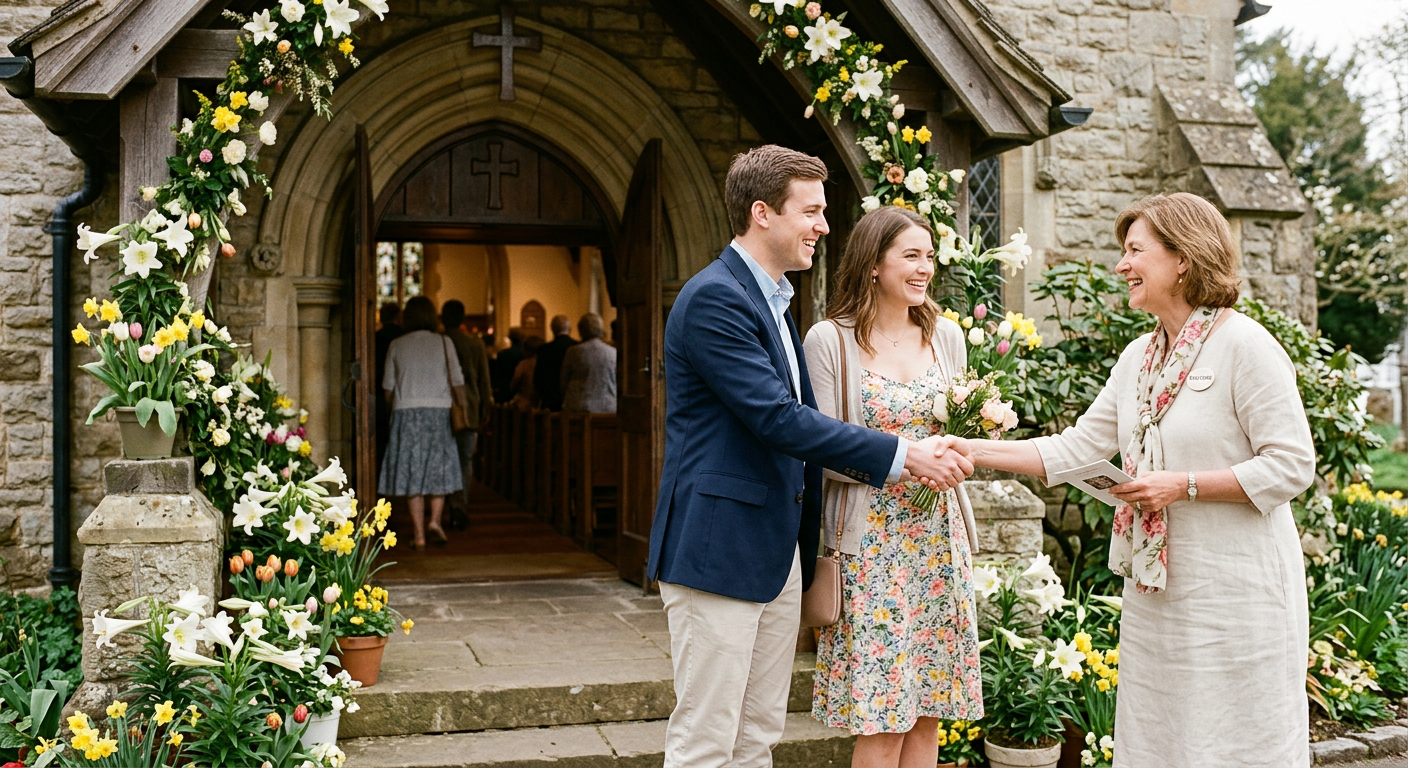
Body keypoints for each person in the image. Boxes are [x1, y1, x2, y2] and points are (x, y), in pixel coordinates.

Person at [946, 193, 1315, 768]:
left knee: (1236, 736)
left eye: (1135, 251)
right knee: (1162, 732)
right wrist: (970, 448)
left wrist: (1180, 485)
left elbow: (1292, 465)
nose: (1121, 265)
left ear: (1184, 260)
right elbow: (1076, 449)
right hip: (1160, 589)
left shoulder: (1246, 346)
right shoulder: (1139, 357)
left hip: (1237, 591)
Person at [646, 145, 973, 768]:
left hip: (772, 551)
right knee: (707, 740)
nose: (825, 226)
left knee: (757, 735)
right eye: (812, 211)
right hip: (718, 550)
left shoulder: (773, 300)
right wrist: (903, 453)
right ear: (762, 212)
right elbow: (777, 419)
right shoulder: (716, 297)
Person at [804, 206, 982, 767]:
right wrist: (908, 462)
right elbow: (818, 452)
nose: (925, 267)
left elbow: (960, 431)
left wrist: (960, 453)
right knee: (881, 718)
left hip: (937, 540)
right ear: (873, 263)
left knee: (928, 710)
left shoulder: (946, 335)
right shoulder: (830, 341)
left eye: (929, 256)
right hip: (871, 544)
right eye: (911, 255)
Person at [380, 295, 466, 550]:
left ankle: (418, 534)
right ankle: (435, 522)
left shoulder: (397, 344)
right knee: (437, 469)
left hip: (406, 412)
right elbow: (458, 380)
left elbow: (387, 387)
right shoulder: (443, 341)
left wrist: (393, 408)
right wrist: (464, 406)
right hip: (439, 411)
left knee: (412, 473)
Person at [441, 299, 494, 522]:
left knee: (443, 458)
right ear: (463, 318)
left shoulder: (440, 342)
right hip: (470, 407)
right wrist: (486, 407)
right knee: (465, 460)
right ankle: (459, 505)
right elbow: (484, 379)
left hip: (443, 407)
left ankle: (440, 505)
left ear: (443, 318)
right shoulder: (474, 344)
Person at [560, 313, 617, 413]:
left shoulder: (573, 352)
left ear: (581, 330)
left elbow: (564, 380)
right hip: (607, 407)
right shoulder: (612, 352)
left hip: (578, 407)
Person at [374, 303, 405, 464]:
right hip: (400, 396)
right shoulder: (404, 337)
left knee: (380, 439)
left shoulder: (374, 338)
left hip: (376, 393)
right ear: (398, 317)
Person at [534, 315, 577, 411]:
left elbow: (538, 378)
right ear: (569, 328)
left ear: (552, 329)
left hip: (550, 402)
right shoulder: (577, 347)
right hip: (572, 401)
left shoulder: (543, 350)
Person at [509, 336, 544, 411]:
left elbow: (515, 382)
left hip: (525, 404)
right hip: (542, 404)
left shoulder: (524, 364)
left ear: (527, 350)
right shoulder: (545, 363)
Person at [492, 327, 525, 403]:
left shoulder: (502, 355)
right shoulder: (525, 354)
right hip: (521, 391)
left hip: (505, 391)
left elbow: (498, 374)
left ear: (510, 338)